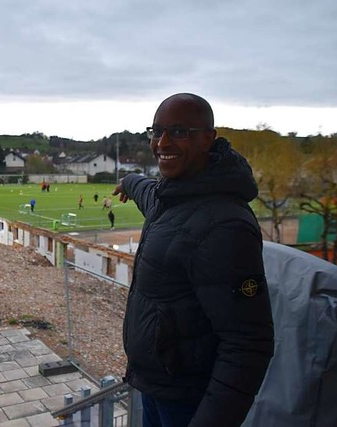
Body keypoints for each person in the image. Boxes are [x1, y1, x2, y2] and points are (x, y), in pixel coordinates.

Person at [112, 93, 274, 427]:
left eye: (179, 131)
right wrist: (128, 181)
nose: (162, 142)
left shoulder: (225, 225)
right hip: (156, 387)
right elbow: (146, 191)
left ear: (207, 139)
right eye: (156, 132)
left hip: (188, 402)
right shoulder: (169, 195)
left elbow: (247, 344)